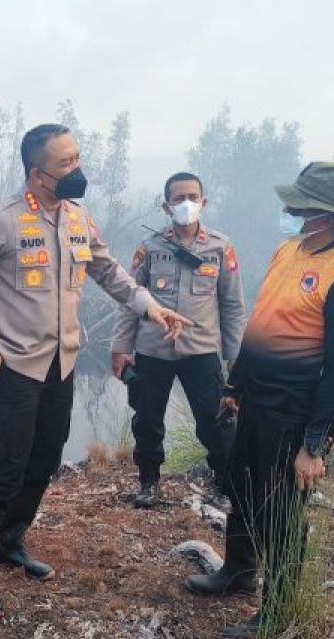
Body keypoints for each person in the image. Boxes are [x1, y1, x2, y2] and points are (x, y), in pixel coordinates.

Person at [0, 123, 192, 619]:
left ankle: (11, 543)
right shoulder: (0, 221)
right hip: (13, 366)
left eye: (77, 159)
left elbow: (108, 270)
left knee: (46, 457)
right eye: (66, 164)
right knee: (4, 468)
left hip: (62, 363)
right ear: (37, 175)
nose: (77, 170)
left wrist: (150, 307)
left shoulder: (77, 217)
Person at [188, 162, 334, 638]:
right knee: (242, 487)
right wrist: (235, 387)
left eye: (299, 204)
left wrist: (315, 444)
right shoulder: (288, 250)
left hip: (294, 413)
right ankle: (237, 570)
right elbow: (261, 324)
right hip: (255, 400)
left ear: (324, 214)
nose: (288, 209)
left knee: (282, 511)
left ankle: (277, 613)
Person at [111, 172, 247, 508]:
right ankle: (148, 483)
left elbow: (232, 306)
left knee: (216, 421)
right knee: (146, 419)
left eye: (192, 196)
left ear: (204, 201)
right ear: (166, 205)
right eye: (177, 198)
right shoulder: (150, 247)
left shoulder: (220, 247)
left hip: (200, 350)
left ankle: (224, 485)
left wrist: (237, 356)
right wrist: (121, 347)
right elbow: (131, 299)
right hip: (153, 349)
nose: (186, 203)